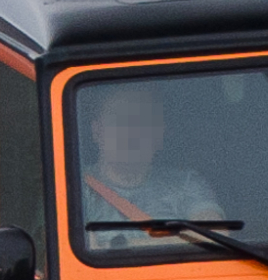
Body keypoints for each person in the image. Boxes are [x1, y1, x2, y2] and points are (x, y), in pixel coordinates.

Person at [78, 83, 219, 247]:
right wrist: (180, 240)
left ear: (159, 134)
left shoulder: (185, 184)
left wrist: (115, 246)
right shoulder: (75, 190)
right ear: (97, 132)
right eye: (119, 120)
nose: (130, 132)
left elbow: (215, 235)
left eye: (142, 121)